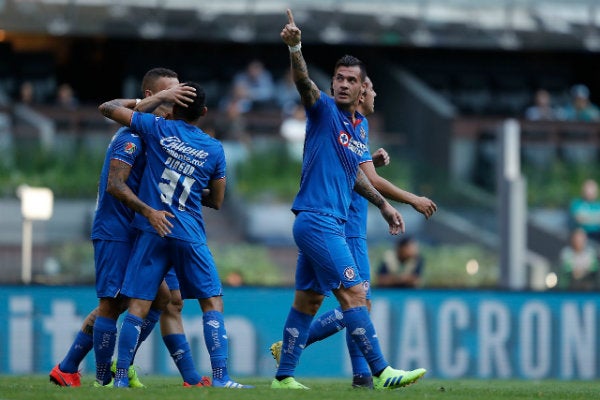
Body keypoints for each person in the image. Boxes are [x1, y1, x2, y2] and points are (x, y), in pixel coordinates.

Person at [271, 9, 426, 390]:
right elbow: (305, 82)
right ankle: (380, 371)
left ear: (362, 89)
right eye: (339, 78)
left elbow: (363, 177)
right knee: (356, 294)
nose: (342, 84)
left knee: (308, 301)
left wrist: (386, 204)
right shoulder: (322, 109)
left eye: (351, 80)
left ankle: (283, 376)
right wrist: (296, 48)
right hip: (319, 219)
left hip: (328, 222)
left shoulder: (357, 127)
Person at [49, 68, 210, 388]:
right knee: (114, 303)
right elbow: (115, 185)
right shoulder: (131, 135)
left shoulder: (161, 136)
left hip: (147, 229)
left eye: (183, 94)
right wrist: (149, 212)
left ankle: (120, 368)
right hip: (118, 228)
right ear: (152, 97)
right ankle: (102, 378)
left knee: (167, 300)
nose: (179, 101)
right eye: (173, 95)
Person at [98, 81, 252, 389]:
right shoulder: (213, 148)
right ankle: (221, 377)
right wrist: (193, 189)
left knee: (138, 306)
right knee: (212, 302)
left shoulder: (156, 127)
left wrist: (161, 97)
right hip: (188, 232)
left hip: (151, 228)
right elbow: (218, 201)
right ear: (204, 112)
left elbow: (108, 109)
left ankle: (119, 380)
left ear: (173, 108)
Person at [569, 179, 600, 243]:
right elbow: (579, 219)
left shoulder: (598, 205)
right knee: (579, 234)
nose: (590, 193)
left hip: (597, 234)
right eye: (589, 190)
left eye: (593, 191)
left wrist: (587, 217)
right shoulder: (576, 203)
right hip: (583, 236)